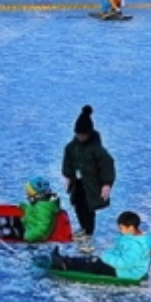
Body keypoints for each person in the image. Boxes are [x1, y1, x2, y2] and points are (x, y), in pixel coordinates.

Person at [61, 105, 115, 254]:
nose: (81, 137)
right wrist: (68, 176)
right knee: (77, 205)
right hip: (78, 184)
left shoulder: (97, 150)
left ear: (89, 133)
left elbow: (107, 165)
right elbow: (67, 161)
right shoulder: (71, 147)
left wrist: (106, 184)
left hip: (91, 186)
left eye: (84, 135)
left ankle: (88, 235)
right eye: (78, 134)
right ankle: (84, 229)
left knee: (88, 210)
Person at [46, 211, 151, 281]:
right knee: (93, 260)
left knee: (95, 264)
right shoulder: (138, 237)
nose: (119, 231)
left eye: (121, 228)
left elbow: (125, 263)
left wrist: (106, 257)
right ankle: (66, 260)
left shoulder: (136, 245)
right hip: (122, 267)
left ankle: (64, 264)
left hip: (125, 273)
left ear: (131, 227)